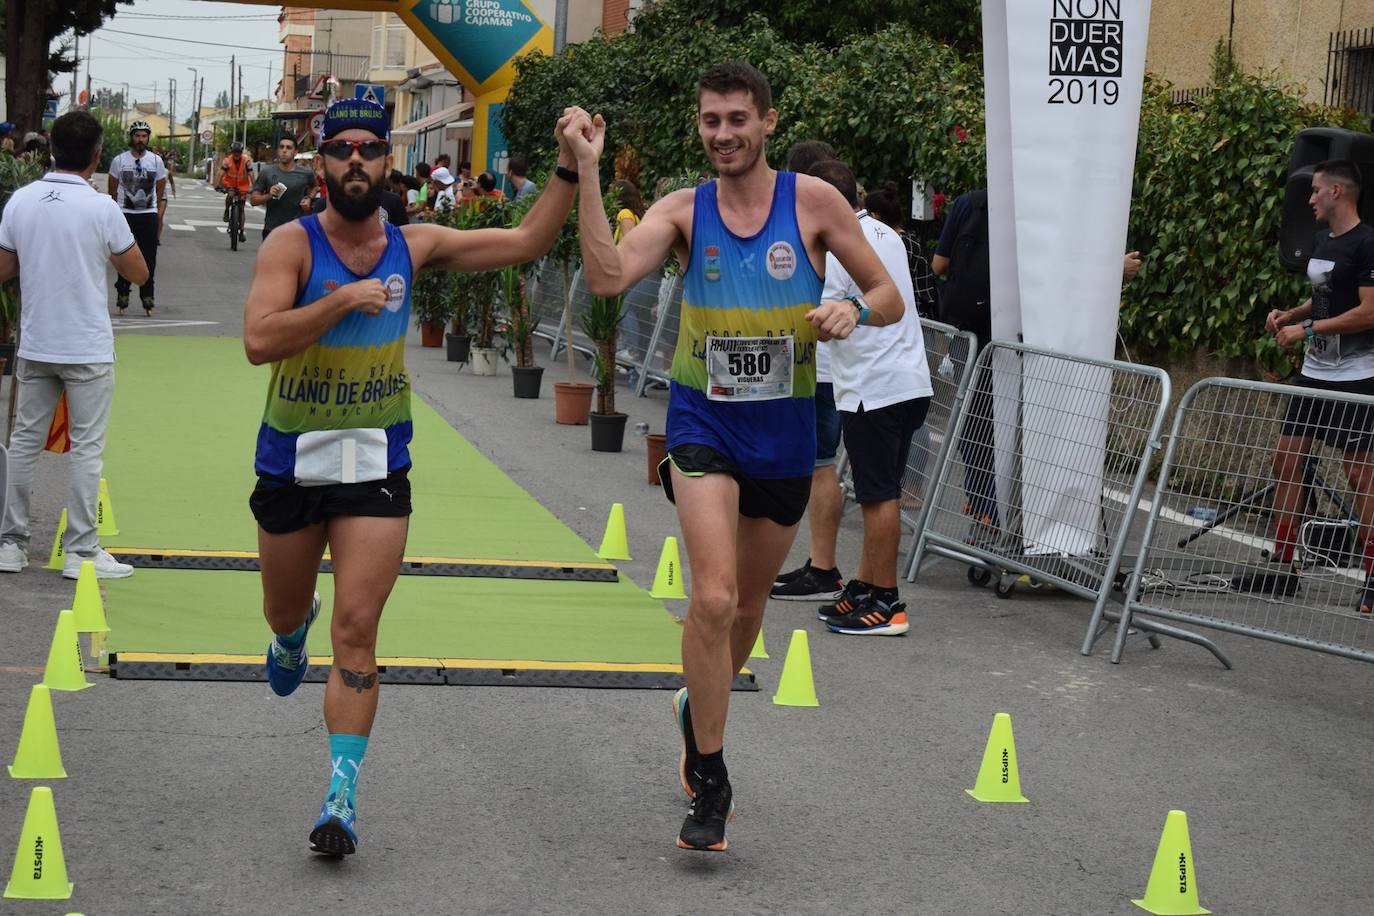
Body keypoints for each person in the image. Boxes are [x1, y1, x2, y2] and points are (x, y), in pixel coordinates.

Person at [566, 61, 903, 852]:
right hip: (702, 426)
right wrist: (585, 170)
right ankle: (711, 778)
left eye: (736, 120)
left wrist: (853, 307)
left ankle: (698, 704)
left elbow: (889, 293)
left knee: (746, 612)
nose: (722, 134)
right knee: (712, 600)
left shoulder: (813, 204)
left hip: (784, 434)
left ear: (768, 123)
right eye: (710, 120)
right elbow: (607, 276)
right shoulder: (684, 211)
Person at [241, 97, 585, 857]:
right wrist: (338, 301)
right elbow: (258, 341)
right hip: (292, 462)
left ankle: (341, 793)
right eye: (341, 150)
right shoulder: (292, 247)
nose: (356, 160)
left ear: (388, 162)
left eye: (369, 148)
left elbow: (528, 239)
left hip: (374, 463)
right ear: (321, 162)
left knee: (358, 630)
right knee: (283, 612)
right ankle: (290, 634)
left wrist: (569, 165)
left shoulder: (417, 243)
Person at [0, 110, 149, 579]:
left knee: (24, 442)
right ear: (98, 155)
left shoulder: (21, 201)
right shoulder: (102, 208)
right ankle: (82, 551)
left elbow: (3, 268)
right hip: (85, 345)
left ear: (50, 149)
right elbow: (137, 272)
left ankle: (11, 543)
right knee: (86, 448)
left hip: (37, 341)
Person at [805, 160, 932, 635]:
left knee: (879, 497)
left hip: (872, 387)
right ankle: (865, 584)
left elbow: (826, 317)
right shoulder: (884, 233)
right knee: (881, 492)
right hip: (906, 379)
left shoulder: (839, 247)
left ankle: (888, 602)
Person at [1258, 159, 1374, 613]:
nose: (1309, 199)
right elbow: (1324, 295)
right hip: (1314, 372)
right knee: (1285, 461)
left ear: (1338, 193)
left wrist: (1308, 332)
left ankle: (1373, 572)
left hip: (1357, 374)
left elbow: (1368, 312)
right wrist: (1292, 315)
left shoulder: (1368, 244)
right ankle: (1285, 564)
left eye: (1316, 190)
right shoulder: (1323, 240)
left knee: (1358, 474)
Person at [770, 139, 848, 602]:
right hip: (830, 373)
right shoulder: (858, 232)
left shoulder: (824, 233)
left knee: (819, 469)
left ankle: (823, 568)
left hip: (820, 372)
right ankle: (819, 564)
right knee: (816, 467)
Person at [107, 120, 166, 315]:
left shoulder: (156, 161)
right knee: (124, 255)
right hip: (125, 215)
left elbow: (159, 187)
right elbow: (113, 189)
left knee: (149, 258)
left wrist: (156, 212)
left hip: (148, 215)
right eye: (137, 136)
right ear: (131, 137)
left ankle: (147, 295)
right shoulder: (119, 161)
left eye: (144, 136)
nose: (140, 139)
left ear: (148, 138)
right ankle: (122, 292)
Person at [251, 136, 317, 240]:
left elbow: (315, 187)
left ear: (295, 152)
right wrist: (269, 195)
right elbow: (253, 201)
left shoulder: (306, 173)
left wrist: (309, 198)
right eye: (281, 147)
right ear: (278, 150)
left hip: (297, 229)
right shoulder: (267, 172)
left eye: (288, 148)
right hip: (272, 229)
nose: (284, 150)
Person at [218, 141, 254, 243]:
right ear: (232, 152)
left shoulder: (246, 160)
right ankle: (226, 210)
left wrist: (255, 187)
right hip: (229, 184)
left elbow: (251, 174)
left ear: (241, 152)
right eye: (234, 152)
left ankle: (241, 231)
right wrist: (218, 185)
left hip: (243, 186)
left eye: (238, 152)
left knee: (242, 209)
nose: (236, 154)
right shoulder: (227, 160)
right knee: (230, 194)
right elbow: (221, 173)